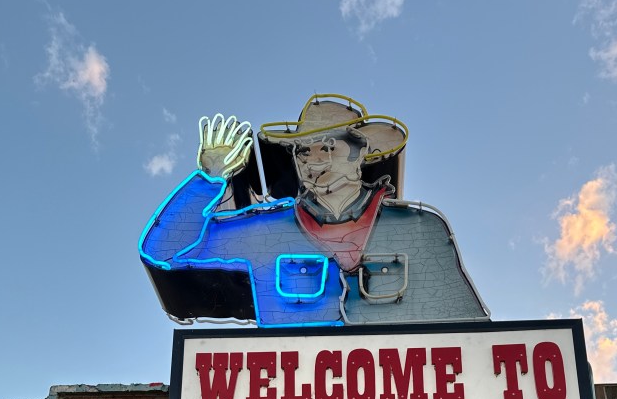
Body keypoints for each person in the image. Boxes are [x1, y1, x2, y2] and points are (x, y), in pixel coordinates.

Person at [140, 94, 489, 327]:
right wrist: (208, 179)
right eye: (303, 151)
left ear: (359, 153)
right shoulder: (263, 232)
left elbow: (470, 329)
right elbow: (164, 253)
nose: (313, 160)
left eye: (327, 147)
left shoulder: (419, 228)